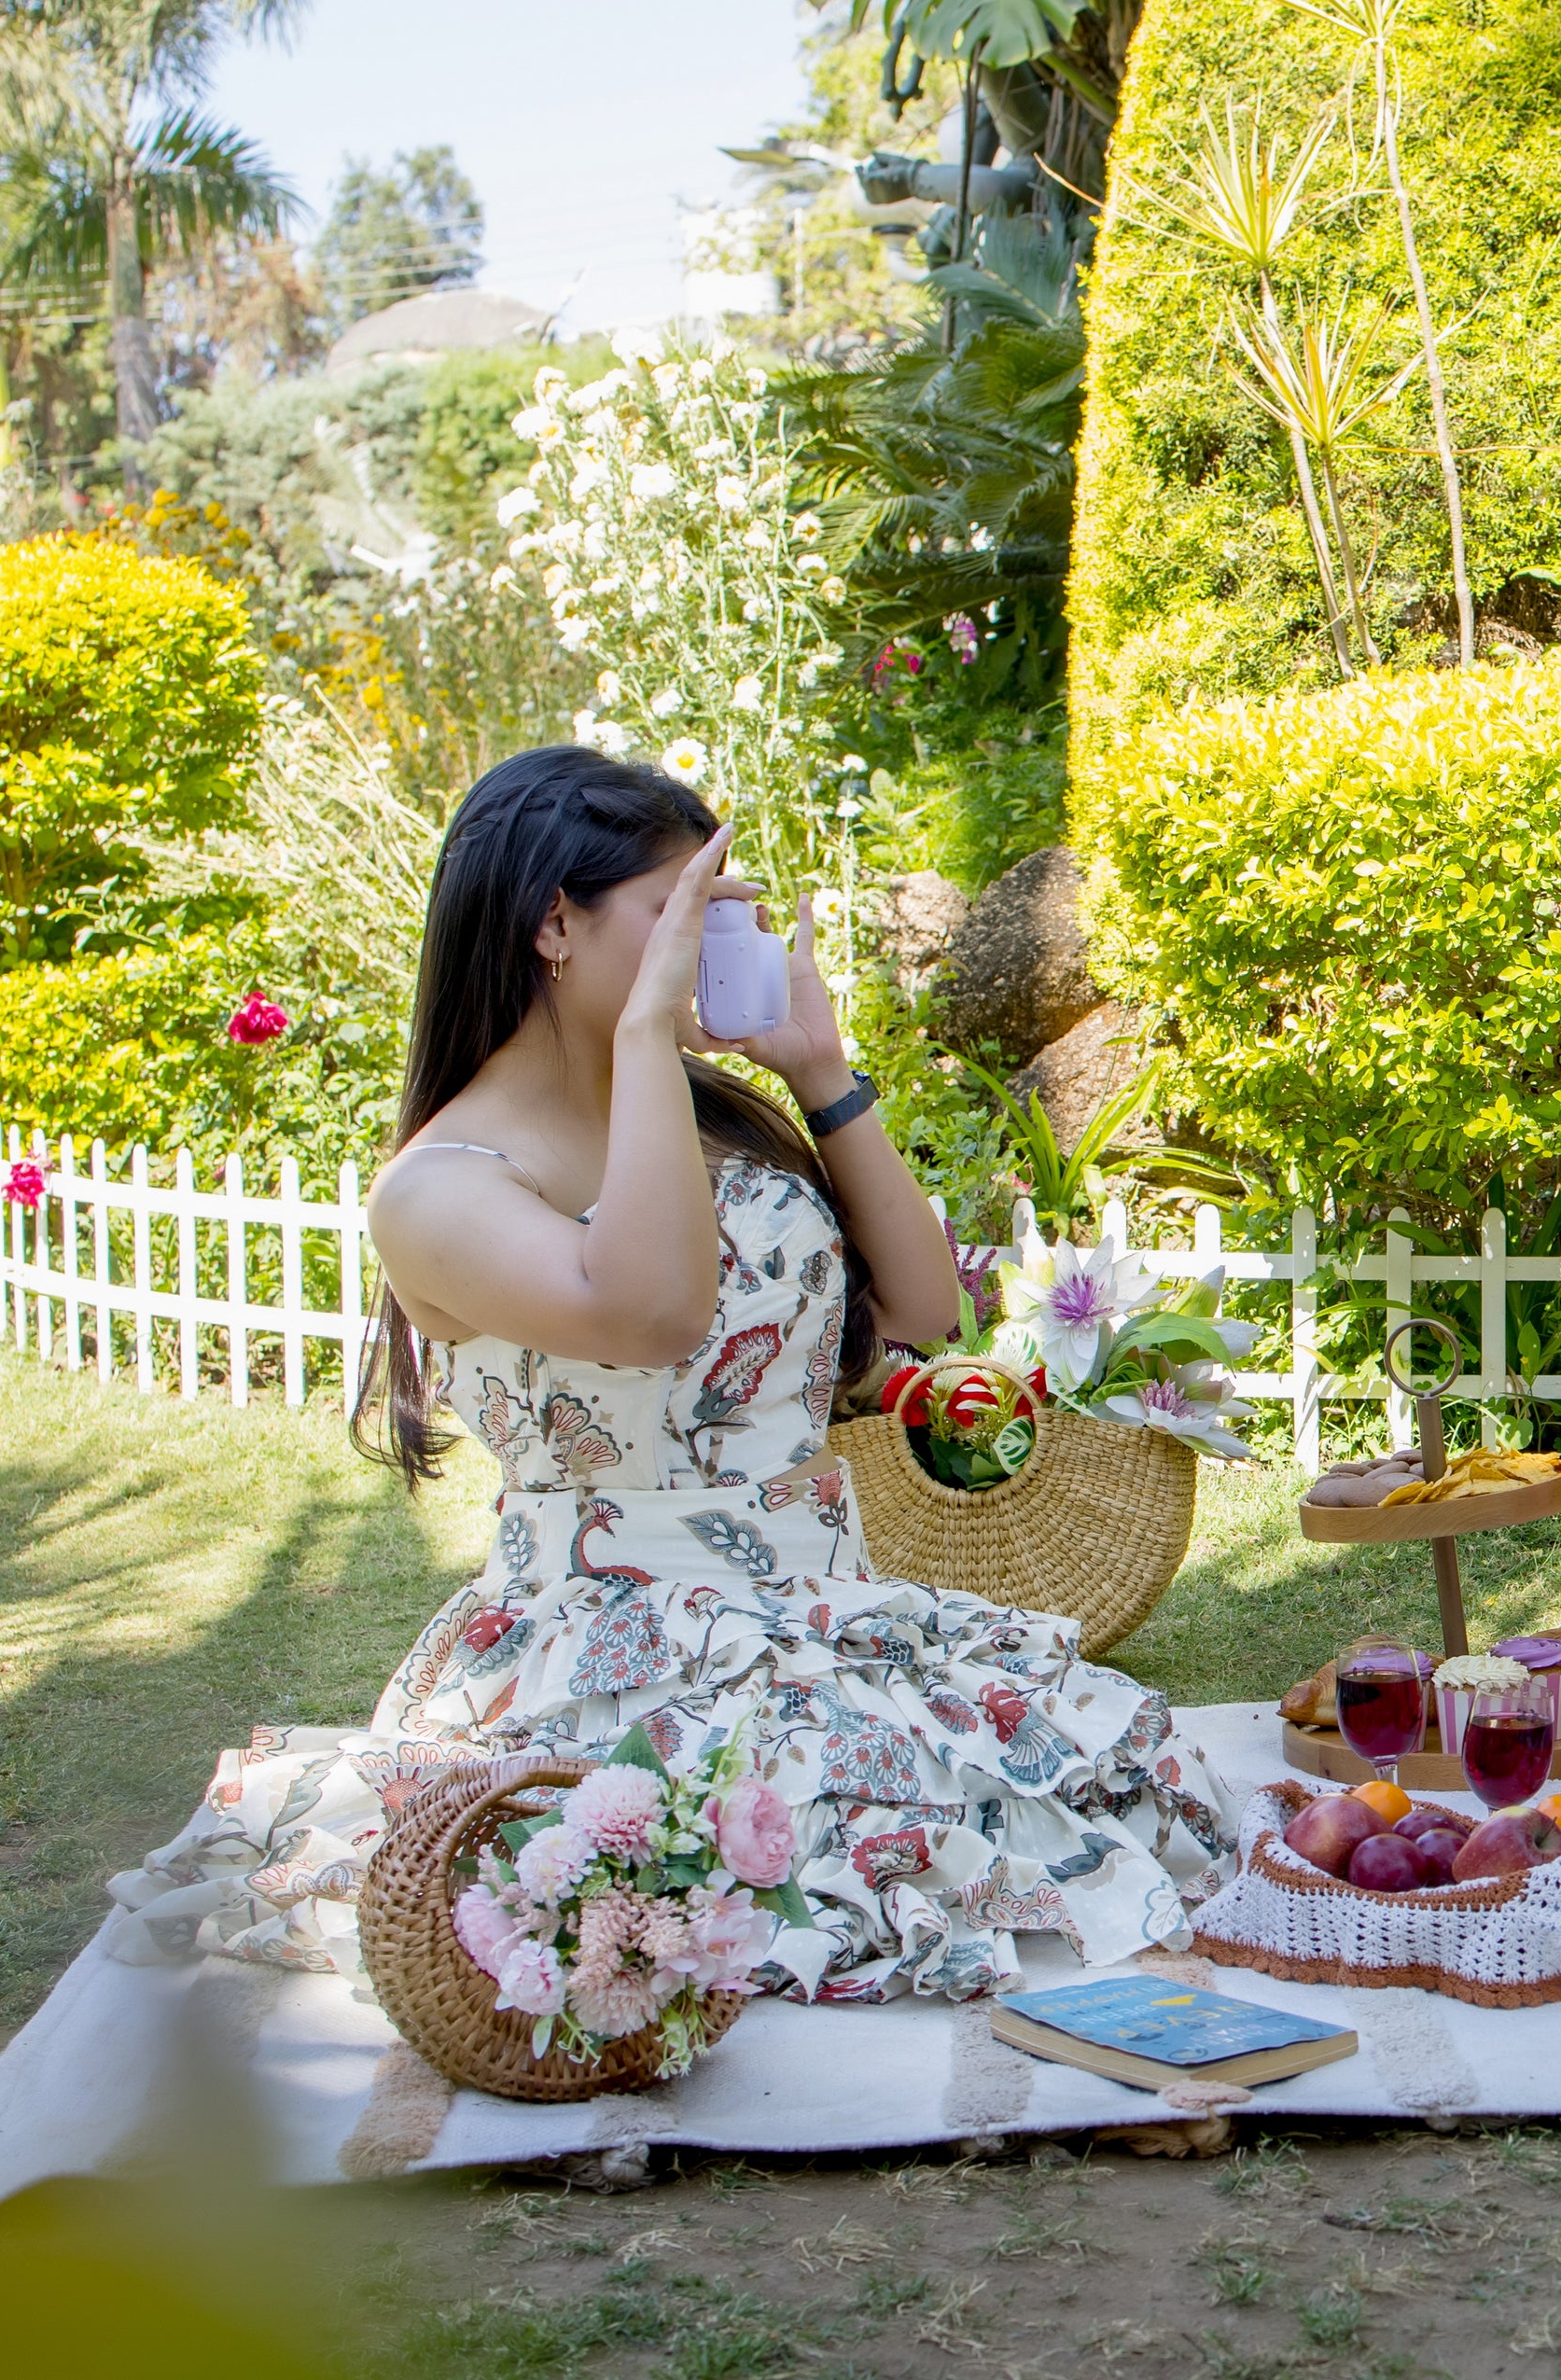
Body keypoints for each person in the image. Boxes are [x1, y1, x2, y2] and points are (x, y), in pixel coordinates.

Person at [104, 749, 1237, 2000]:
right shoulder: (438, 1187)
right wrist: (648, 1032)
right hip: (607, 1640)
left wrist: (818, 1073)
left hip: (821, 1601)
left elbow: (920, 1315)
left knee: (1062, 1806)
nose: (718, 935)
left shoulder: (714, 1114)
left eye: (728, 906)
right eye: (683, 905)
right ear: (554, 926)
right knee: (718, 1891)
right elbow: (647, 1314)